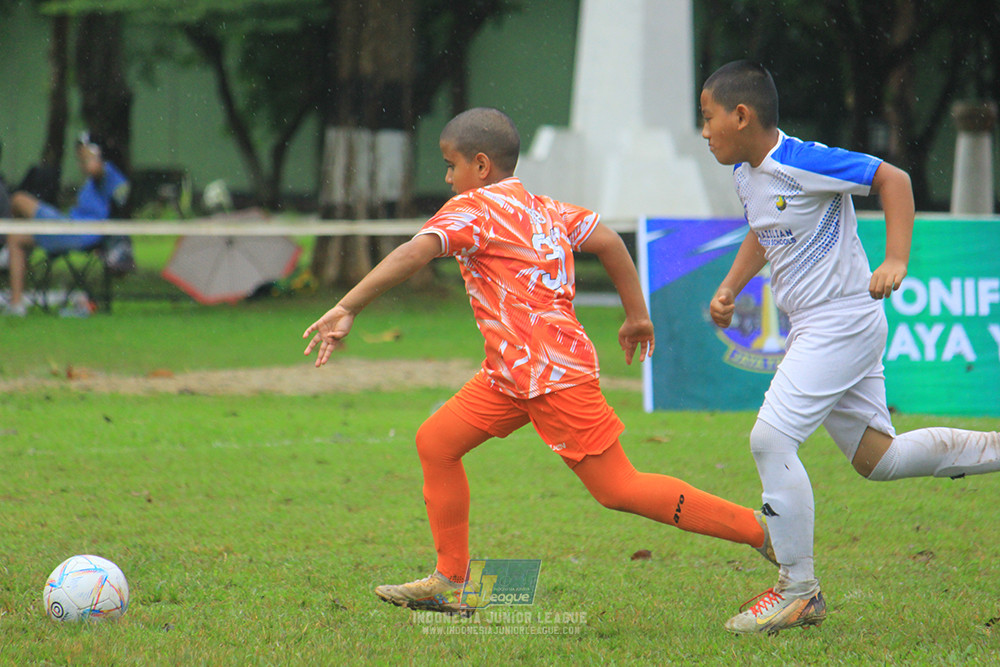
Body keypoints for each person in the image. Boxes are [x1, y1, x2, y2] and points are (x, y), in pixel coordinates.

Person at [303, 107, 776, 615]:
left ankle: (759, 530)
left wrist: (347, 306)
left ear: (480, 165)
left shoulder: (473, 208)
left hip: (551, 375)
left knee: (618, 488)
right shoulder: (544, 208)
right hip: (510, 376)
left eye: (450, 165)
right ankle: (450, 580)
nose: (447, 178)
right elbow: (610, 242)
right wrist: (637, 317)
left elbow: (413, 254)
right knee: (436, 443)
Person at [699, 60, 1000, 636]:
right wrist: (731, 286)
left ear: (741, 115)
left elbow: (895, 179)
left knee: (770, 439)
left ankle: (798, 590)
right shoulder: (745, 174)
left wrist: (896, 259)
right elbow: (764, 231)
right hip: (820, 326)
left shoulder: (804, 160)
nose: (704, 131)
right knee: (878, 460)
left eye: (708, 118)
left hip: (840, 322)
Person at [2, 132, 129, 316]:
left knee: (19, 200)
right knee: (16, 238)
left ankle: (5, 255)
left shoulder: (108, 173)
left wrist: (89, 153)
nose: (81, 160)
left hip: (79, 231)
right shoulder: (96, 180)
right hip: (70, 226)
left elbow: (95, 169)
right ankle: (16, 304)